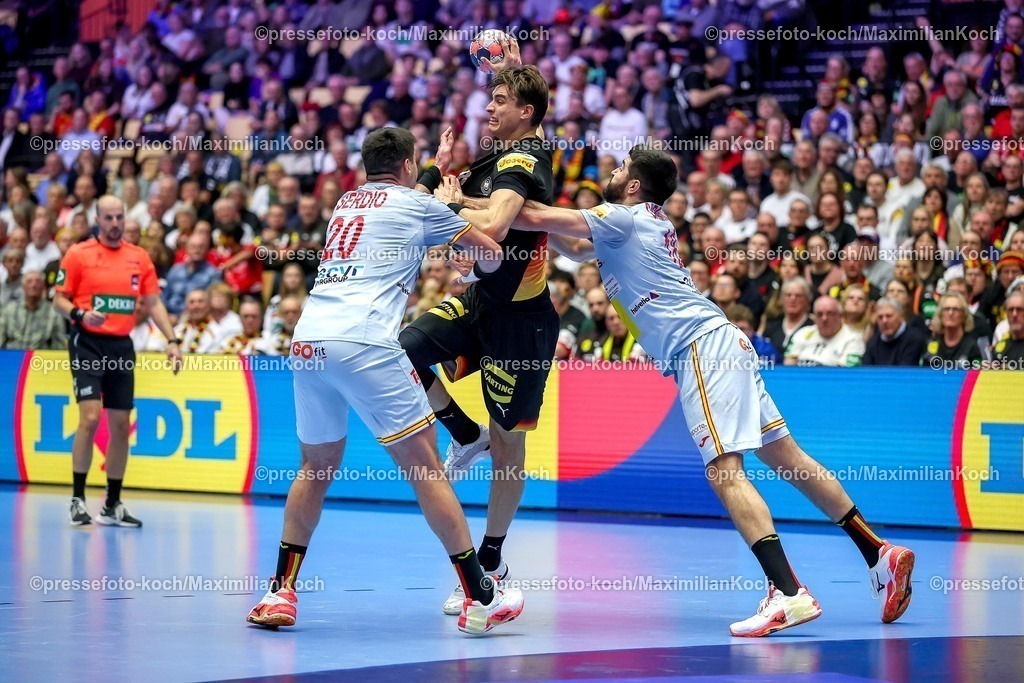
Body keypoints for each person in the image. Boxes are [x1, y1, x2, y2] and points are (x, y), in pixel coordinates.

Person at [482, 145, 914, 637]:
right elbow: (568, 242)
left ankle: (788, 593)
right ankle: (879, 553)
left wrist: (456, 204)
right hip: (722, 342)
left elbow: (536, 213)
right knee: (785, 456)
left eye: (620, 168)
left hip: (702, 350)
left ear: (633, 186)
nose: (612, 171)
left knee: (725, 473)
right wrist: (509, 216)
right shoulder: (632, 227)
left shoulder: (624, 218)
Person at [245, 128, 523, 636]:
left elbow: (404, 200)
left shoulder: (348, 202)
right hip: (366, 341)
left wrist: (434, 168)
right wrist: (463, 241)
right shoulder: (420, 207)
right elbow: (492, 252)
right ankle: (480, 595)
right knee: (426, 468)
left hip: (308, 340)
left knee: (315, 466)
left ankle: (278, 592)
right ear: (407, 165)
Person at [399, 39, 560, 615]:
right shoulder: (502, 155)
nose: (488, 108)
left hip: (523, 323)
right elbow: (473, 215)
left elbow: (493, 223)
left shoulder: (524, 160)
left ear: (527, 113)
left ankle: (491, 558)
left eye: (499, 101)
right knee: (403, 351)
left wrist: (449, 202)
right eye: (488, 99)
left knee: (510, 442)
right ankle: (462, 431)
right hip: (481, 301)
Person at [52, 195, 182, 527]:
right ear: (97, 220)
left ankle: (112, 503)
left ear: (125, 220)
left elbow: (153, 304)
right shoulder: (78, 254)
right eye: (108, 218)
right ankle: (78, 499)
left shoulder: (139, 257)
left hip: (121, 346)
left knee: (122, 426)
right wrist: (81, 313)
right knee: (90, 418)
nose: (114, 223)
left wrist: (172, 340)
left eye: (119, 217)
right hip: (87, 343)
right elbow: (59, 300)